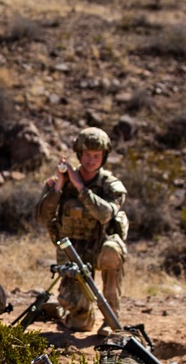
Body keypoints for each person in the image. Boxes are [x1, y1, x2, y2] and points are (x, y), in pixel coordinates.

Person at [35, 127, 128, 336]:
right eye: (87, 154)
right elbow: (42, 217)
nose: (91, 160)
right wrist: (59, 186)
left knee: (113, 251)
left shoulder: (110, 185)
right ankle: (62, 311)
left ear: (104, 156)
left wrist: (80, 187)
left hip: (99, 248)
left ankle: (111, 318)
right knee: (81, 324)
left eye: (96, 155)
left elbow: (105, 214)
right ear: (79, 154)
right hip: (72, 252)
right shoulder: (58, 182)